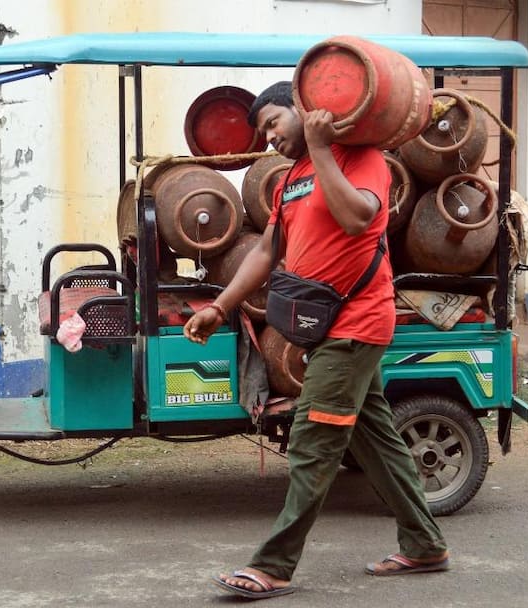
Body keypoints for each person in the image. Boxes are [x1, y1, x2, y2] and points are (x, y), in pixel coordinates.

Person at [183, 81, 449, 600]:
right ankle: (425, 544)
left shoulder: (361, 158)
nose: (269, 138)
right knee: (376, 440)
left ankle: (274, 565)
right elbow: (267, 251)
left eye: (273, 123)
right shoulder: (290, 180)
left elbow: (358, 217)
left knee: (313, 442)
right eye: (263, 132)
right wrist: (221, 306)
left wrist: (324, 149)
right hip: (326, 326)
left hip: (357, 324)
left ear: (304, 110)